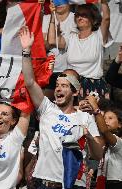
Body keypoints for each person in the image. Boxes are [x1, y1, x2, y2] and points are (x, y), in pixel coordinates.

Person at [19, 25, 104, 188]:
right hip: (42, 182)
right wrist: (26, 51)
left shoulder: (85, 117)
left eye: (64, 86)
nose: (58, 89)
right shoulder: (46, 108)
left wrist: (90, 138)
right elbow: (29, 82)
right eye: (57, 85)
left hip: (70, 184)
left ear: (74, 92)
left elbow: (98, 155)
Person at [48, 2, 112, 99]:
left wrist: (103, 2)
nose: (79, 18)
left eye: (84, 15)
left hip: (93, 87)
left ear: (93, 19)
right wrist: (53, 15)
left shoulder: (99, 35)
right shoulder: (71, 37)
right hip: (71, 85)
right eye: (77, 15)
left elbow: (106, 19)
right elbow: (52, 40)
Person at [80, 96, 122, 189]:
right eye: (104, 118)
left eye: (110, 118)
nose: (106, 120)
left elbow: (104, 130)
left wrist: (95, 108)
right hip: (101, 181)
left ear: (119, 124)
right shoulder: (105, 142)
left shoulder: (119, 142)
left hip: (117, 183)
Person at [44, 1, 77, 101]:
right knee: (44, 103)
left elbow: (62, 44)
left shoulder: (75, 18)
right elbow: (43, 46)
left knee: (65, 103)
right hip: (49, 70)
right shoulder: (46, 18)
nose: (58, 3)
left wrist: (53, 38)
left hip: (68, 70)